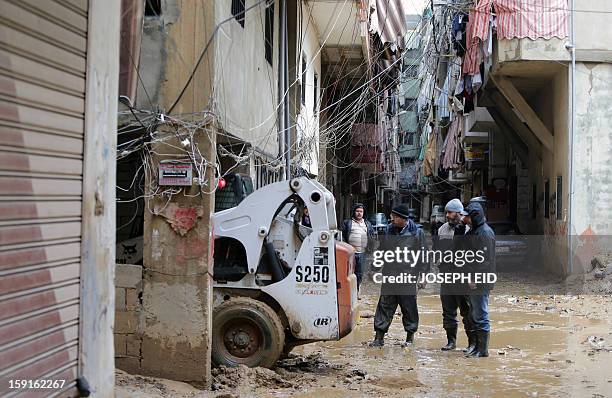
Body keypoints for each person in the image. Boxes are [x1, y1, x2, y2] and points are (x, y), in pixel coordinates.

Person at [369, 204, 427, 347]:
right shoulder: (388, 230)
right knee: (384, 305)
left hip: (408, 276)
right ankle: (379, 337)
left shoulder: (417, 233)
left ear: (403, 219)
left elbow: (424, 256)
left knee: (409, 307)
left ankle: (409, 337)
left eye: (394, 217)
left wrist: (424, 276)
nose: (391, 219)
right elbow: (381, 251)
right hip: (389, 275)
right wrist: (374, 269)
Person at [434, 199, 474, 352]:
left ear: (458, 213)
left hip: (462, 277)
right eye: (446, 212)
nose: (447, 215)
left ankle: (472, 343)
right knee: (448, 311)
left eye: (450, 212)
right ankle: (451, 341)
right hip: (446, 276)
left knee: (467, 311)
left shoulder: (467, 230)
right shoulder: (442, 230)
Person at [460, 201, 495, 358]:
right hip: (472, 280)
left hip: (480, 281)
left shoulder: (484, 233)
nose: (462, 217)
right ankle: (477, 348)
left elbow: (485, 260)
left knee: (480, 315)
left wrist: (474, 278)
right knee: (474, 314)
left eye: (465, 215)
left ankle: (483, 350)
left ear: (473, 216)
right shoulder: (473, 231)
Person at [341, 203, 375, 290]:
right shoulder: (348, 223)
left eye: (361, 211)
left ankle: (357, 290)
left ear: (363, 213)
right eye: (357, 211)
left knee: (359, 273)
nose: (359, 213)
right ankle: (348, 290)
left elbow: (372, 236)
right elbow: (342, 237)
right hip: (350, 253)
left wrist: (371, 248)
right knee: (348, 272)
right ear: (354, 212)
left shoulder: (367, 224)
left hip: (362, 252)